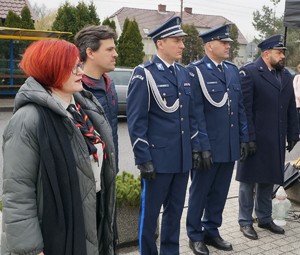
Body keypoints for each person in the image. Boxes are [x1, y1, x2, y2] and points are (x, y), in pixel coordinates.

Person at [1, 40, 116, 255]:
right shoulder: (28, 120)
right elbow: (17, 193)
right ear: (50, 69)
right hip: (57, 235)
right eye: (71, 67)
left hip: (92, 218)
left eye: (79, 64)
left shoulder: (83, 108)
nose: (80, 70)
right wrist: (31, 250)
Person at [126, 16, 206, 255]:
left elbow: (189, 117)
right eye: (177, 40)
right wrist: (143, 159)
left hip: (181, 160)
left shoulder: (183, 74)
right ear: (160, 43)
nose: (182, 45)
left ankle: (170, 251)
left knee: (175, 212)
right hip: (157, 161)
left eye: (182, 41)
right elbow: (136, 122)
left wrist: (195, 148)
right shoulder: (145, 74)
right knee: (149, 215)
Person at [187, 24, 249, 255]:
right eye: (223, 43)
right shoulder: (195, 71)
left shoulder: (232, 70)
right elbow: (195, 112)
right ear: (209, 45)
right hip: (208, 147)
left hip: (229, 145)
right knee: (200, 192)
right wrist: (201, 145)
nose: (228, 46)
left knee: (221, 192)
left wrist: (243, 138)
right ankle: (194, 235)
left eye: (229, 43)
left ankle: (211, 230)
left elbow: (239, 107)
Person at [236, 34, 299, 241]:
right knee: (248, 181)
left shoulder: (285, 76)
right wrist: (247, 138)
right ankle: (245, 221)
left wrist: (293, 133)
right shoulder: (250, 73)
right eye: (279, 52)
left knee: (268, 179)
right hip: (255, 138)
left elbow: (291, 107)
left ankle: (264, 217)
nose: (282, 56)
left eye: (283, 53)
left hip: (276, 138)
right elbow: (244, 109)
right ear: (266, 54)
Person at [75, 25, 119, 172]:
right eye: (109, 49)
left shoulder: (109, 84)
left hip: (110, 168)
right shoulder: (76, 88)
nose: (115, 54)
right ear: (90, 53)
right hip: (89, 173)